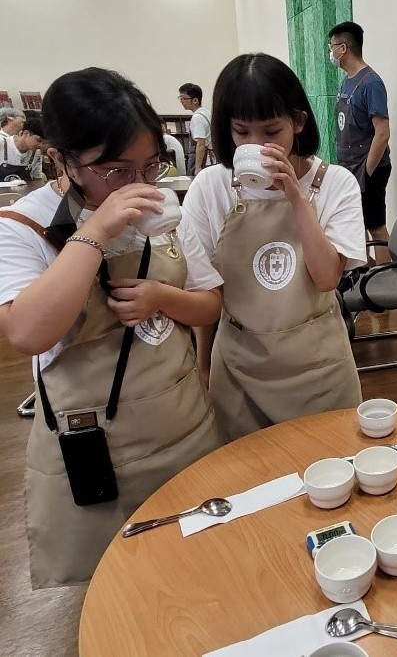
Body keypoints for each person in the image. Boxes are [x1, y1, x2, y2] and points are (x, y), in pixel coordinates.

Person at [0, 67, 223, 588]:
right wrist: (96, 230)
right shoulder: (24, 226)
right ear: (61, 160)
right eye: (115, 170)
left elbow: (209, 306)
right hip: (96, 444)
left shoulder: (165, 209)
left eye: (150, 166)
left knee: (199, 567)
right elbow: (27, 333)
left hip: (182, 425)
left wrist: (163, 298)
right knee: (118, 584)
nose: (138, 185)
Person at [183, 53, 365, 442]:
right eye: (241, 133)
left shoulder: (336, 183)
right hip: (238, 369)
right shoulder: (211, 186)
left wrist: (298, 199)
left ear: (298, 123)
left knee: (332, 473)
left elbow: (328, 277)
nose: (256, 145)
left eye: (271, 132)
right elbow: (204, 291)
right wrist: (203, 368)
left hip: (319, 369)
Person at [329, 21, 392, 263]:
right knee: (358, 225)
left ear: (343, 48)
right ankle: (363, 275)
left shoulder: (371, 83)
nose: (331, 52)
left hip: (368, 168)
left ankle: (387, 278)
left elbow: (383, 133)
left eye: (332, 47)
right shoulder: (347, 80)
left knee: (376, 225)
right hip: (349, 167)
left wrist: (366, 172)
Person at [178, 82, 213, 176]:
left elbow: (201, 144)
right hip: (210, 161)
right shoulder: (206, 112)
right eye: (180, 98)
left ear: (195, 100)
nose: (181, 101)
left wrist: (197, 167)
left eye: (184, 98)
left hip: (202, 162)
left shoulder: (198, 117)